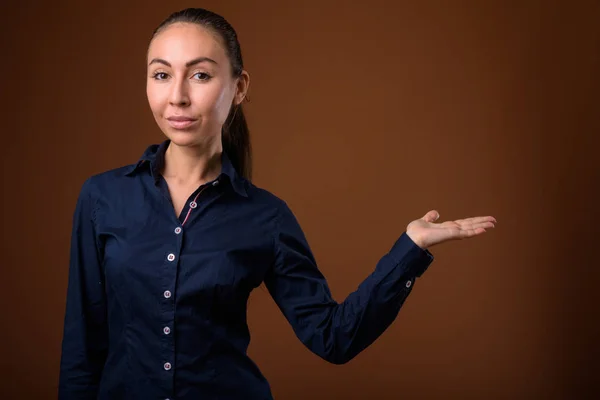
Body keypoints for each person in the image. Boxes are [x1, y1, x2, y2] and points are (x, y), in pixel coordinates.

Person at [58, 7, 496, 400]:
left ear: (240, 86)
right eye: (161, 74)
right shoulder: (102, 198)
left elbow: (333, 337)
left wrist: (410, 249)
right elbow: (83, 351)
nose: (177, 97)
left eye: (201, 75)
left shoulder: (265, 217)